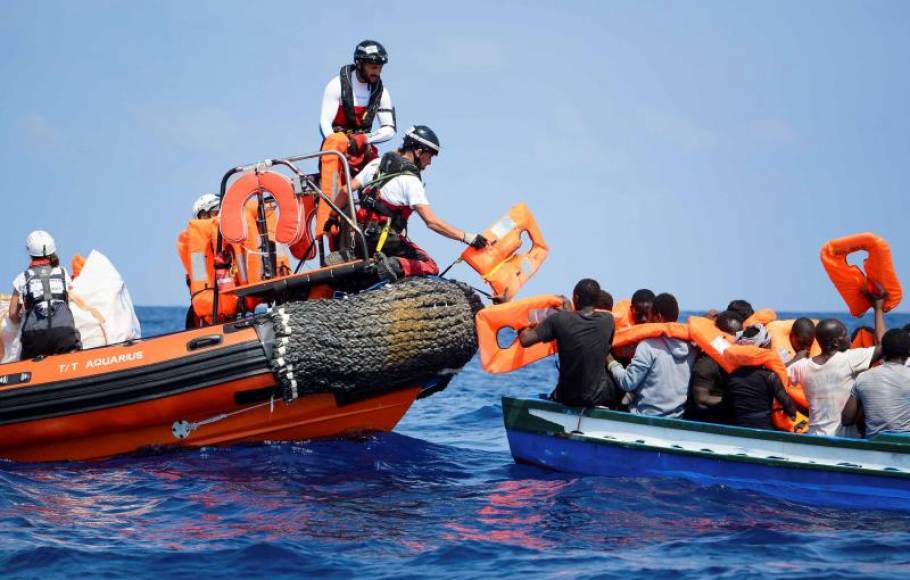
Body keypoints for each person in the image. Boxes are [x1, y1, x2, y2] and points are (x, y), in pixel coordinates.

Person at [341, 125, 487, 280]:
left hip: (359, 237)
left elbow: (344, 191)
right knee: (430, 265)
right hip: (383, 240)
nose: (429, 163)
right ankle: (390, 265)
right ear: (418, 151)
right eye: (429, 156)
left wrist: (331, 218)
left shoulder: (376, 164)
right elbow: (432, 222)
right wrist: (467, 237)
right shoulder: (410, 181)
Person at [315, 40, 396, 244]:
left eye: (379, 68)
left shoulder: (381, 92)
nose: (376, 72)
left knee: (384, 182)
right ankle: (331, 230)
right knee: (339, 197)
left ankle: (383, 237)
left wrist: (364, 139)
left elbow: (389, 129)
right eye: (372, 67)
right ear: (359, 64)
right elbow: (324, 122)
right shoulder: (337, 85)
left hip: (363, 150)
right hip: (338, 151)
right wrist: (337, 148)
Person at [788, 292, 886, 437]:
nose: (849, 337)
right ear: (835, 342)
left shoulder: (801, 366)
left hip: (814, 437)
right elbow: (885, 344)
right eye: (845, 334)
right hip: (844, 440)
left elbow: (775, 376)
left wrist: (796, 358)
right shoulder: (849, 359)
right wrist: (878, 308)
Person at [518, 279, 615, 407]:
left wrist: (518, 321)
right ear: (597, 301)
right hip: (600, 398)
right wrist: (569, 314)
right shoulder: (608, 321)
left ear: (575, 297)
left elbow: (525, 340)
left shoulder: (559, 320)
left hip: (568, 398)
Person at [607, 293, 694, 417]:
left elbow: (627, 382)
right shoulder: (693, 347)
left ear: (658, 317)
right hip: (678, 416)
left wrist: (610, 361)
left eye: (650, 316)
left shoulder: (648, 346)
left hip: (645, 416)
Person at [8, 230, 82, 359]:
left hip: (34, 339)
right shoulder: (63, 273)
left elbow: (12, 314)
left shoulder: (22, 278)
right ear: (52, 251)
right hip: (64, 335)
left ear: (29, 252)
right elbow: (71, 297)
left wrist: (24, 319)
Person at [726, 324, 798, 429]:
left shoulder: (732, 376)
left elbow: (728, 404)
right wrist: (793, 414)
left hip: (740, 426)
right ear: (762, 348)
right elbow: (789, 407)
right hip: (765, 428)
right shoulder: (770, 377)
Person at [842, 329, 910, 438]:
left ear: (882, 351)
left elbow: (846, 419)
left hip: (874, 445)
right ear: (908, 352)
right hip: (906, 444)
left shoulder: (864, 377)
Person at [685, 310, 742, 423]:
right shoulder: (707, 363)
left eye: (738, 336)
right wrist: (736, 401)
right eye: (732, 335)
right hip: (706, 423)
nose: (735, 340)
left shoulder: (739, 360)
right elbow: (701, 399)